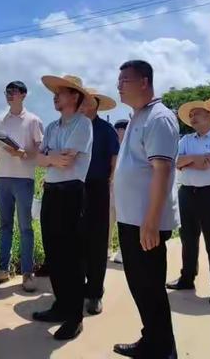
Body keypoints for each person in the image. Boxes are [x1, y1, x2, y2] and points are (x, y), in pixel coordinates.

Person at [113, 60, 179, 359]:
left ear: (144, 82)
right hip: (132, 220)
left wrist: (151, 222)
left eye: (124, 80)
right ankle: (151, 340)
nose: (118, 85)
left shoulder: (159, 117)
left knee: (150, 288)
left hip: (145, 223)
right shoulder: (138, 116)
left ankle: (163, 349)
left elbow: (162, 171)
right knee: (142, 287)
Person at [32, 75, 93, 341]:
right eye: (55, 93)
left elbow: (66, 161)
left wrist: (49, 158)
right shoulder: (52, 126)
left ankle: (74, 316)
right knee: (54, 253)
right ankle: (60, 305)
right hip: (51, 194)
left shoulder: (83, 125)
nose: (55, 96)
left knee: (71, 256)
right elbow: (38, 158)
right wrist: (49, 158)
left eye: (61, 92)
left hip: (71, 194)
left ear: (75, 97)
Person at [0, 81, 43, 292]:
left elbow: (40, 153)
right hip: (2, 178)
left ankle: (27, 273)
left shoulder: (34, 121)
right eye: (6, 91)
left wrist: (23, 153)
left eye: (13, 92)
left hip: (24, 179)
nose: (9, 95)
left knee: (25, 227)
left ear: (23, 95)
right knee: (5, 225)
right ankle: (3, 270)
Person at [166, 101, 210, 306]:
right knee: (188, 239)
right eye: (190, 115)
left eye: (197, 114)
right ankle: (187, 278)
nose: (192, 118)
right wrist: (196, 160)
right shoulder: (185, 139)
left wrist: (189, 161)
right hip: (187, 193)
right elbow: (177, 162)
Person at [80, 88, 119, 315]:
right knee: (78, 240)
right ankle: (80, 287)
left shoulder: (106, 130)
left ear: (95, 104)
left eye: (86, 101)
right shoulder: (75, 127)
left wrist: (109, 180)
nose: (82, 105)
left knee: (96, 242)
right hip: (75, 187)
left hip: (98, 188)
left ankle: (95, 293)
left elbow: (114, 158)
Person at [110, 119, 129, 264]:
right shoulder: (113, 147)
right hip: (111, 189)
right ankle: (106, 248)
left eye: (119, 130)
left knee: (124, 222)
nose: (116, 133)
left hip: (127, 191)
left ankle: (123, 251)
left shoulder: (131, 147)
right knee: (108, 220)